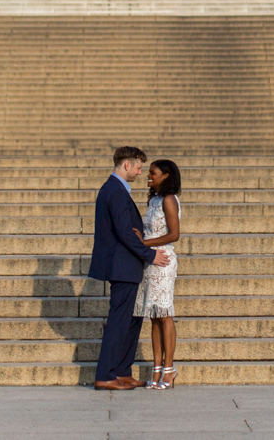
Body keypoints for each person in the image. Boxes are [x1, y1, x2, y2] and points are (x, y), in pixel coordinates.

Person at [88, 145, 170, 389]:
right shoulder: (115, 190)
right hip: (121, 266)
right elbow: (125, 232)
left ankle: (122, 372)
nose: (140, 172)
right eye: (138, 167)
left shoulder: (115, 189)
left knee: (130, 321)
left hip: (127, 266)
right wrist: (150, 254)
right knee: (119, 321)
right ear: (127, 165)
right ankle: (105, 375)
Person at [135, 158, 184, 388]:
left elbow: (174, 234)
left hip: (163, 261)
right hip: (150, 262)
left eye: (152, 173)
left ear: (165, 176)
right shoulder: (153, 200)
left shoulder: (169, 200)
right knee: (153, 316)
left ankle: (169, 369)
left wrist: (144, 243)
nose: (148, 176)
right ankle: (156, 369)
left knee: (164, 314)